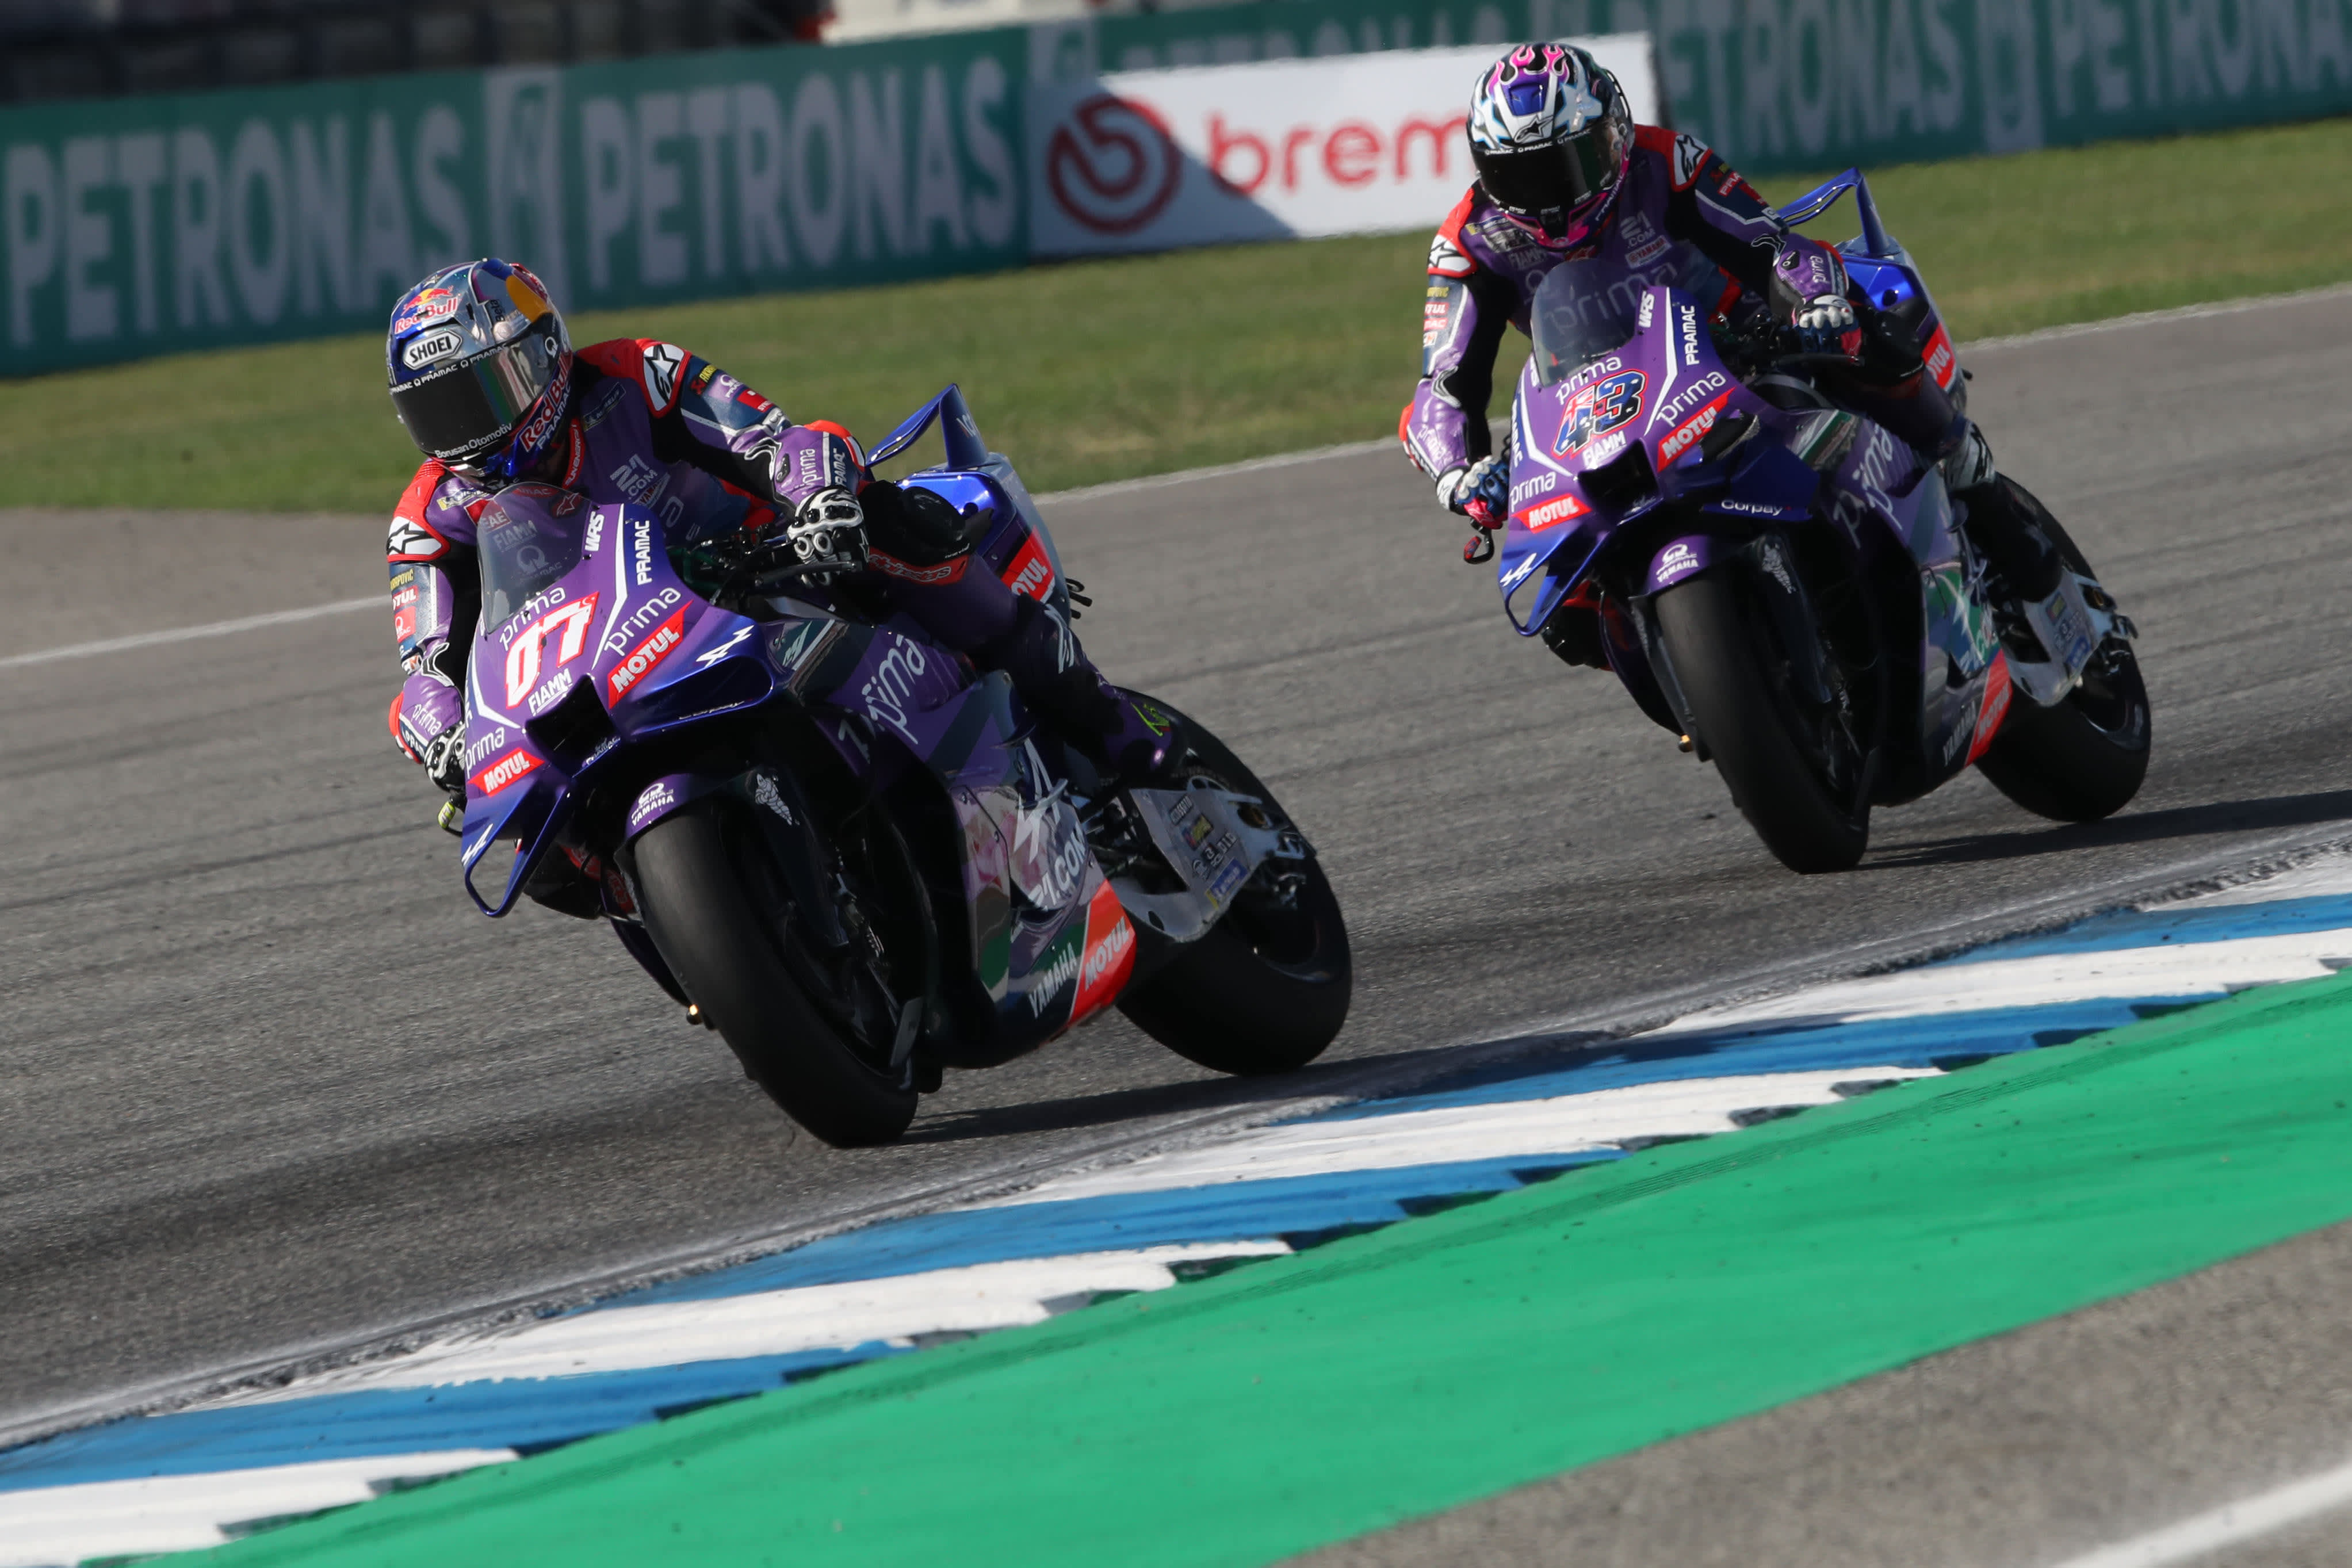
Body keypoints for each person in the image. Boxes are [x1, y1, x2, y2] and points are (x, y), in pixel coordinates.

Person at [383, 258, 1172, 813]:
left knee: (891, 521)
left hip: (764, 568)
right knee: (534, 838)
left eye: (484, 394)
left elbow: (768, 436)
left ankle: (1099, 716)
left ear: (544, 354)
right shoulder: (428, 523)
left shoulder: (634, 373)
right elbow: (426, 668)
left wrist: (818, 497)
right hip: (607, 669)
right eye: (439, 411)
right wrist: (442, 736)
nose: (468, 431)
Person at [1400, 43, 2059, 666]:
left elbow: (1772, 244)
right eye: (1521, 175)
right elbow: (1443, 384)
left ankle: (1981, 494)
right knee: (1567, 614)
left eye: (1570, 163)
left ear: (1613, 135)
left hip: (1739, 345)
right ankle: (1697, 681)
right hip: (1601, 409)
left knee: (1872, 342)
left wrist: (1814, 304)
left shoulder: (1665, 163)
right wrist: (1458, 473)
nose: (1552, 196)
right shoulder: (1470, 242)